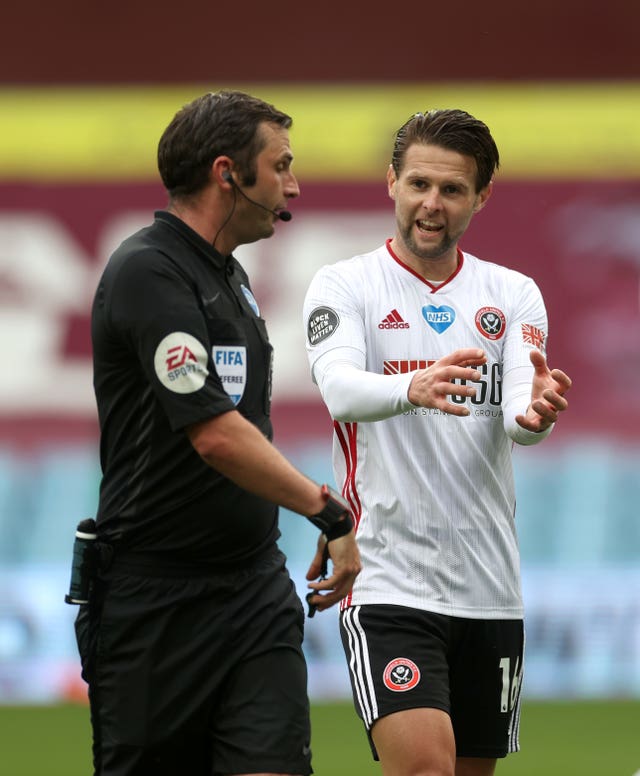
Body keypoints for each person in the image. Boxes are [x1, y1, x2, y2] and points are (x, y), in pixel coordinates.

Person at [75, 90, 361, 776]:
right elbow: (216, 436)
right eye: (282, 165)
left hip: (252, 592)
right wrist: (328, 511)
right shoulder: (150, 270)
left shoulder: (229, 277)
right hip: (154, 603)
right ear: (228, 172)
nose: (294, 183)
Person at [303, 109, 571, 776]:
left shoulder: (513, 295)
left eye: (452, 190)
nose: (432, 204)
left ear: (480, 197)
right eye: (419, 183)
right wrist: (412, 387)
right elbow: (339, 391)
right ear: (391, 181)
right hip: (390, 582)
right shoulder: (345, 285)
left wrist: (538, 416)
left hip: (490, 587)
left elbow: (516, 421)